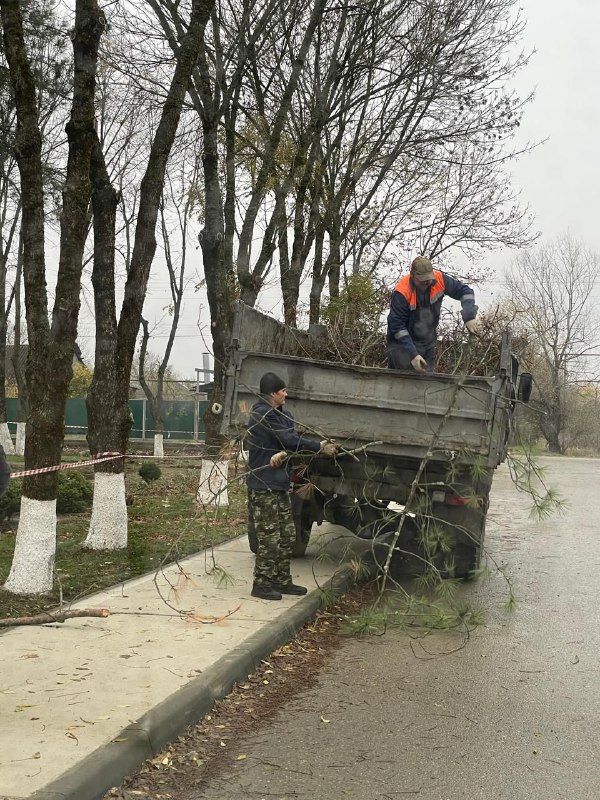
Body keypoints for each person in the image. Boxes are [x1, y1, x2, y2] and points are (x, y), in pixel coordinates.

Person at [246, 371, 338, 601]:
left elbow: (289, 443)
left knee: (287, 535)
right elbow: (288, 440)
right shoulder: (261, 415)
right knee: (269, 537)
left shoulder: (283, 414)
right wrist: (318, 446)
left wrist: (288, 451)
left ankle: (281, 580)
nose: (286, 394)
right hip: (263, 483)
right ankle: (262, 583)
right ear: (272, 394)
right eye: (282, 391)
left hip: (279, 483)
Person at [386, 255, 480, 373]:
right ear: (413, 275)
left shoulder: (439, 280)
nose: (426, 283)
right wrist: (412, 355)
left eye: (428, 279)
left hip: (427, 343)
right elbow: (397, 326)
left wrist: (469, 316)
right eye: (422, 281)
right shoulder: (402, 292)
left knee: (428, 383)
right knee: (401, 384)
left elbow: (465, 291)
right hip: (401, 346)